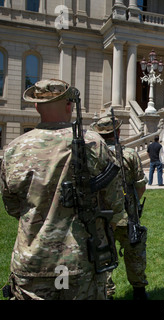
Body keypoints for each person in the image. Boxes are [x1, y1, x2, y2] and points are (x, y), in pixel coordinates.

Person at [0, 79, 123, 300]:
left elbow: (12, 206)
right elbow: (115, 203)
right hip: (80, 260)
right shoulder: (94, 143)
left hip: (32, 260)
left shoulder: (13, 149)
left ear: (36, 106)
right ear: (70, 105)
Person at [91, 116, 149, 300]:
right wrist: (132, 205)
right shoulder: (130, 154)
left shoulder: (91, 156)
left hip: (101, 216)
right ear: (117, 132)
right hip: (125, 214)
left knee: (103, 254)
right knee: (134, 255)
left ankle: (106, 293)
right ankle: (139, 291)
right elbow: (140, 186)